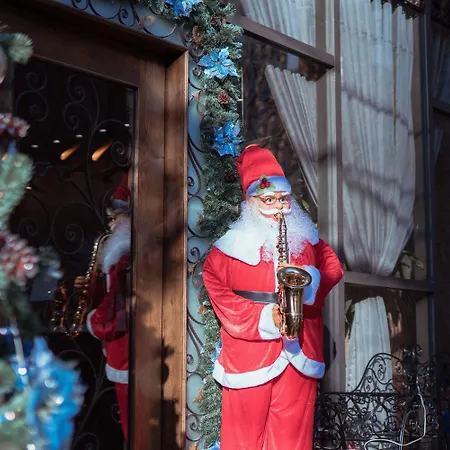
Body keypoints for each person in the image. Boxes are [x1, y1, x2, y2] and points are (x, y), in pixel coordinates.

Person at [202, 145, 344, 450]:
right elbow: (218, 288)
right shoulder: (229, 248)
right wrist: (265, 318)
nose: (279, 207)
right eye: (269, 200)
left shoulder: (307, 239)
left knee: (293, 440)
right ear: (250, 202)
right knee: (243, 441)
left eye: (283, 199)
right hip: (250, 356)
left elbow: (333, 267)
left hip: (300, 351)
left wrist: (309, 284)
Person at [74, 173, 131, 441]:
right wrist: (90, 288)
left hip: (125, 350)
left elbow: (114, 312)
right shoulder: (118, 254)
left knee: (132, 426)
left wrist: (91, 321)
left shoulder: (125, 256)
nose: (110, 224)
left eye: (114, 217)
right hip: (119, 351)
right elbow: (109, 295)